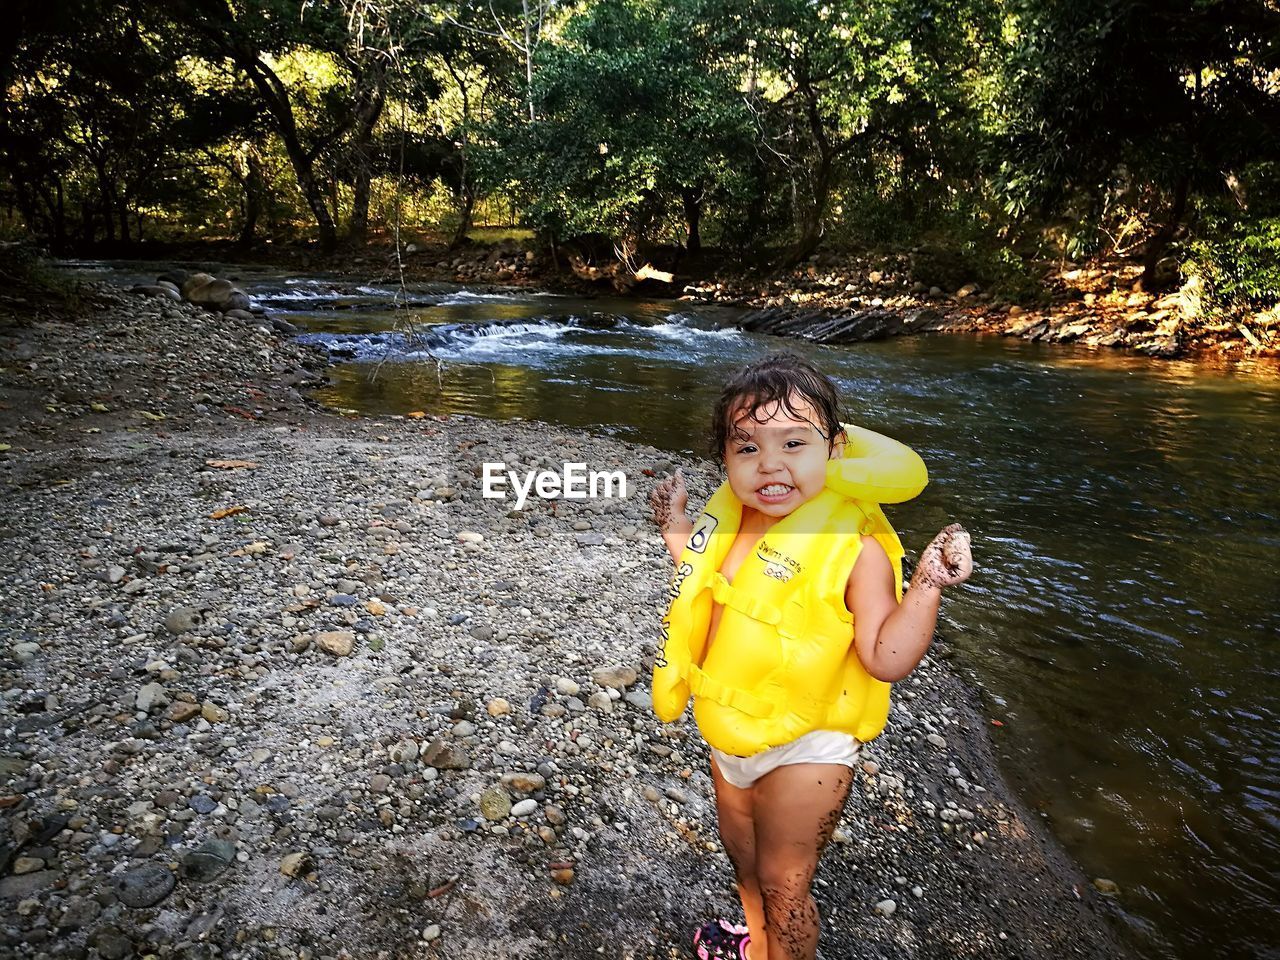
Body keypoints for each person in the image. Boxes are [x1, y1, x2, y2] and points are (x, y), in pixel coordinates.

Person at [648, 352, 972, 960]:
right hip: (733, 731)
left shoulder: (854, 544)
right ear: (725, 457)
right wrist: (678, 525)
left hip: (810, 744)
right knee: (745, 867)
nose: (770, 464)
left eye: (793, 443)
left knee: (785, 884)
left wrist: (926, 584)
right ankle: (759, 947)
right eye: (747, 449)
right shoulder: (731, 520)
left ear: (836, 449)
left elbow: (885, 656)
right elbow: (710, 586)